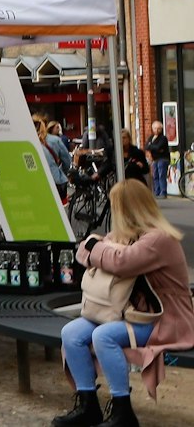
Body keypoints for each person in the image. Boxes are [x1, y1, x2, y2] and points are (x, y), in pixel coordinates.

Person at [55, 179, 192, 425]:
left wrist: (96, 246)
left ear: (127, 209)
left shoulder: (158, 239)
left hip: (166, 318)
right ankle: (88, 405)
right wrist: (97, 247)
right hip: (131, 312)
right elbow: (82, 252)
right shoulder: (129, 235)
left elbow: (120, 261)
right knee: (71, 333)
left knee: (103, 336)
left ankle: (123, 412)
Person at [45, 119, 73, 204]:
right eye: (57, 127)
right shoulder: (56, 140)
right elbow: (67, 160)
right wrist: (63, 173)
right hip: (55, 178)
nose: (59, 129)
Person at [147, 121, 171, 198]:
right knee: (155, 175)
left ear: (161, 129)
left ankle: (163, 193)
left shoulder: (163, 138)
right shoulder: (151, 138)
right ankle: (157, 192)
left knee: (161, 175)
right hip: (155, 159)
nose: (156, 130)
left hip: (163, 159)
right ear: (152, 128)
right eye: (155, 128)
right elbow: (146, 147)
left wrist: (152, 146)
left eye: (159, 129)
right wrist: (154, 147)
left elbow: (158, 147)